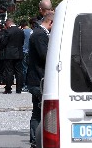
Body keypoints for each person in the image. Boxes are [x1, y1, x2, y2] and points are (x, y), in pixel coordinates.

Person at [28, 11, 54, 147]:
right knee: (38, 112)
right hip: (38, 78)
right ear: (51, 22)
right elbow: (45, 56)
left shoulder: (39, 33)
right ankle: (34, 139)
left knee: (39, 111)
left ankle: (36, 138)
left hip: (38, 77)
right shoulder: (39, 35)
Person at [1, 18, 25, 94]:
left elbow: (4, 42)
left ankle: (8, 88)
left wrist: (0, 48)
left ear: (8, 23)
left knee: (9, 71)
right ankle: (19, 89)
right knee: (19, 72)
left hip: (9, 54)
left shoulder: (8, 31)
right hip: (19, 53)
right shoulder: (21, 31)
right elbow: (22, 42)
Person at [21, 20, 33, 92]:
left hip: (24, 51)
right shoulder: (32, 31)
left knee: (24, 69)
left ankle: (25, 85)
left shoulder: (23, 32)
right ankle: (30, 84)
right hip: (31, 52)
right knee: (30, 69)